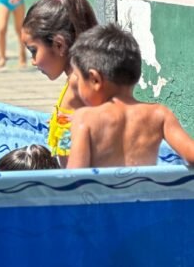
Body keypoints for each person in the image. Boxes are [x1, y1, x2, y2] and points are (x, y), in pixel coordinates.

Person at [68, 24, 194, 168]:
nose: (76, 87)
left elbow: (74, 180)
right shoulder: (160, 115)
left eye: (78, 78)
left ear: (95, 79)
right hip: (147, 191)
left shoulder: (85, 119)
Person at [22, 0, 97, 167]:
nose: (33, 61)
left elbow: (75, 161)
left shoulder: (77, 84)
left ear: (59, 45)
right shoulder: (80, 78)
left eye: (34, 51)